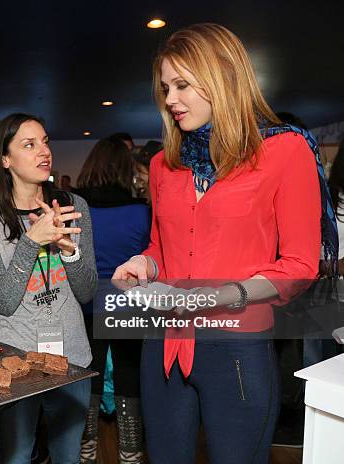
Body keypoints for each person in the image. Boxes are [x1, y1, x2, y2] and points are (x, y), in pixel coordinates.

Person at [112, 23, 332, 463]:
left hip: (237, 345)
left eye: (182, 85)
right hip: (164, 343)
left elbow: (299, 264)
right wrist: (144, 265)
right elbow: (161, 247)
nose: (170, 99)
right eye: (165, 87)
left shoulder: (285, 152)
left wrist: (224, 294)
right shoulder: (162, 165)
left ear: (221, 80)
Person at [0, 113, 97, 463]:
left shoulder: (72, 207)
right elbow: (3, 301)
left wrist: (70, 252)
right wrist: (30, 242)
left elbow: (86, 293)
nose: (44, 151)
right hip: (13, 358)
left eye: (45, 141)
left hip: (71, 356)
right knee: (17, 457)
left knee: (69, 455)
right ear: (4, 159)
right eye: (29, 144)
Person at [75, 136, 151, 463]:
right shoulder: (140, 212)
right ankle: (130, 456)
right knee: (129, 380)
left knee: (86, 378)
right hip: (126, 306)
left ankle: (85, 452)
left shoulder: (75, 209)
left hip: (85, 304)